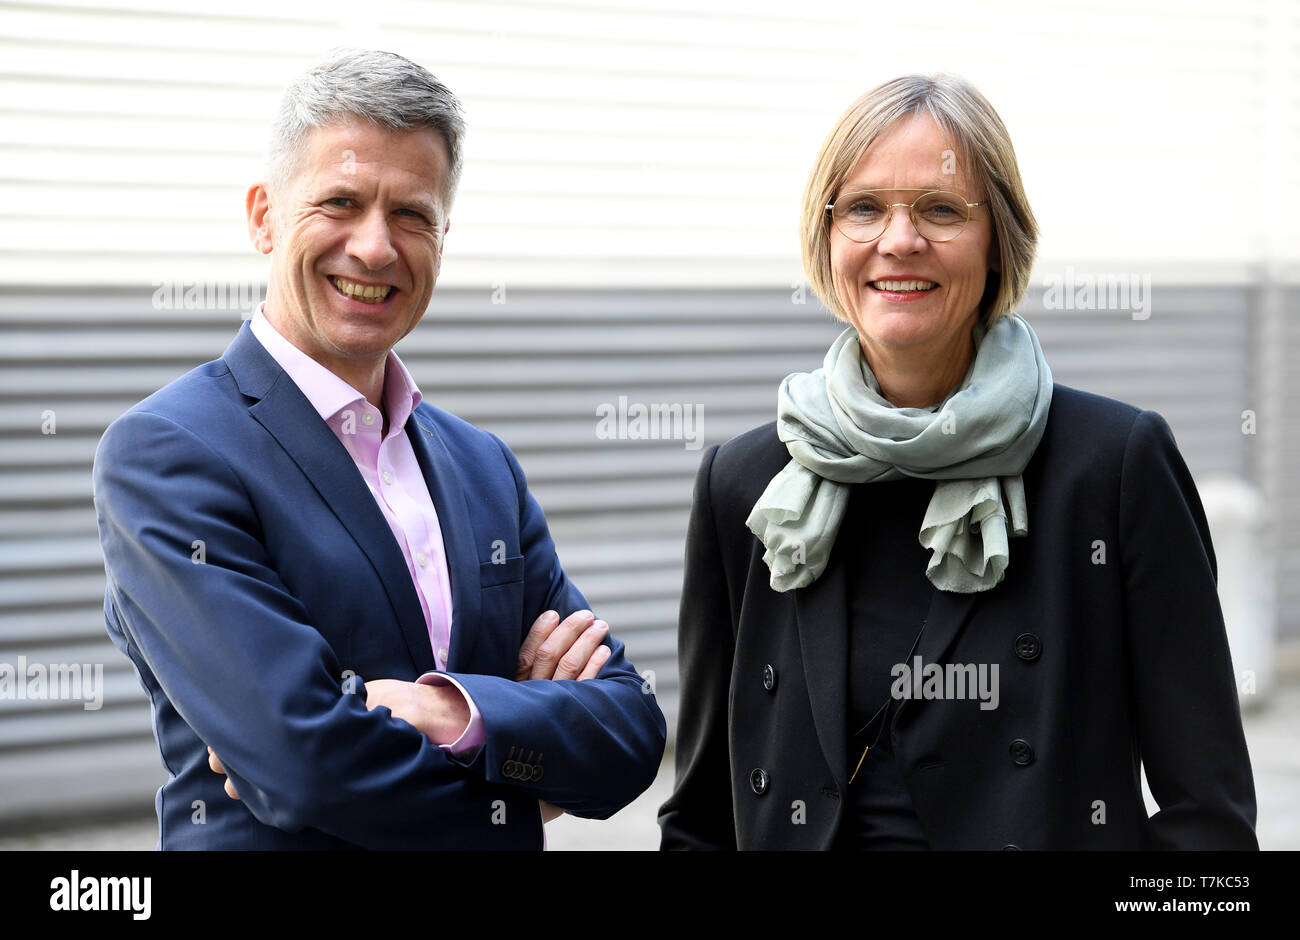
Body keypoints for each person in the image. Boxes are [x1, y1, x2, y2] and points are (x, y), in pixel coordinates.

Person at [657, 74, 1257, 850]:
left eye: (940, 209)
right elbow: (702, 814)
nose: (899, 241)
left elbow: (1207, 820)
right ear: (827, 237)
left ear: (998, 239)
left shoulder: (1111, 468)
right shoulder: (746, 482)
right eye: (865, 208)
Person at [92, 49, 665, 850]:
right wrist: (522, 796)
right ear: (264, 215)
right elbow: (305, 763)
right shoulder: (168, 453)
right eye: (340, 202)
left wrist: (450, 712)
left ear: (443, 235)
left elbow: (631, 729)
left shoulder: (480, 466)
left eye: (411, 214)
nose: (374, 247)